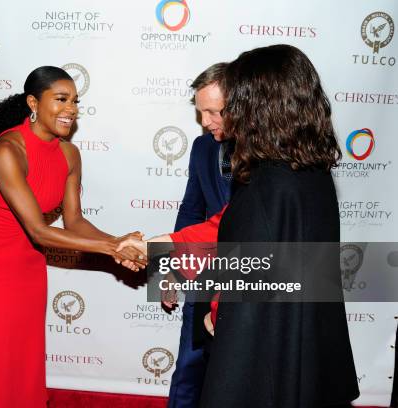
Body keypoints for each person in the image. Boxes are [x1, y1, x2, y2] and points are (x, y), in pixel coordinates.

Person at [120, 44, 359, 407]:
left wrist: (218, 310)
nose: (229, 113)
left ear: (259, 104)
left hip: (262, 357)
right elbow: (228, 229)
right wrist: (160, 248)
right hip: (303, 343)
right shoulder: (309, 173)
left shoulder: (269, 186)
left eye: (236, 101)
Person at [0, 66, 145, 407]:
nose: (70, 109)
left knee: (22, 364)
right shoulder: (7, 150)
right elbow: (39, 230)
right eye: (61, 99)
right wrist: (112, 247)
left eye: (75, 101)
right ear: (33, 102)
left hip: (28, 269)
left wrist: (119, 242)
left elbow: (74, 222)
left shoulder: (69, 154)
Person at [166, 62, 232, 408]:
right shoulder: (202, 147)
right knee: (189, 369)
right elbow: (191, 211)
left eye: (213, 111)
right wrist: (169, 270)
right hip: (204, 274)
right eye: (200, 112)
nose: (205, 121)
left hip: (252, 282)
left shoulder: (270, 151)